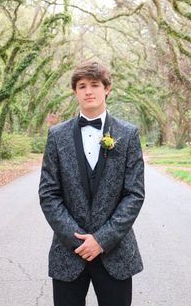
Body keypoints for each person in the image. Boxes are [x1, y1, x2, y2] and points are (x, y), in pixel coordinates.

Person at [39, 60, 145, 306]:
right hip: (68, 252)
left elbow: (134, 194)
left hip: (115, 252)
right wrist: (79, 242)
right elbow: (48, 194)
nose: (88, 91)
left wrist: (101, 240)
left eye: (95, 85)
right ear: (75, 91)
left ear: (106, 88)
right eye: (82, 86)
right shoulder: (56, 135)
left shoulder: (128, 134)